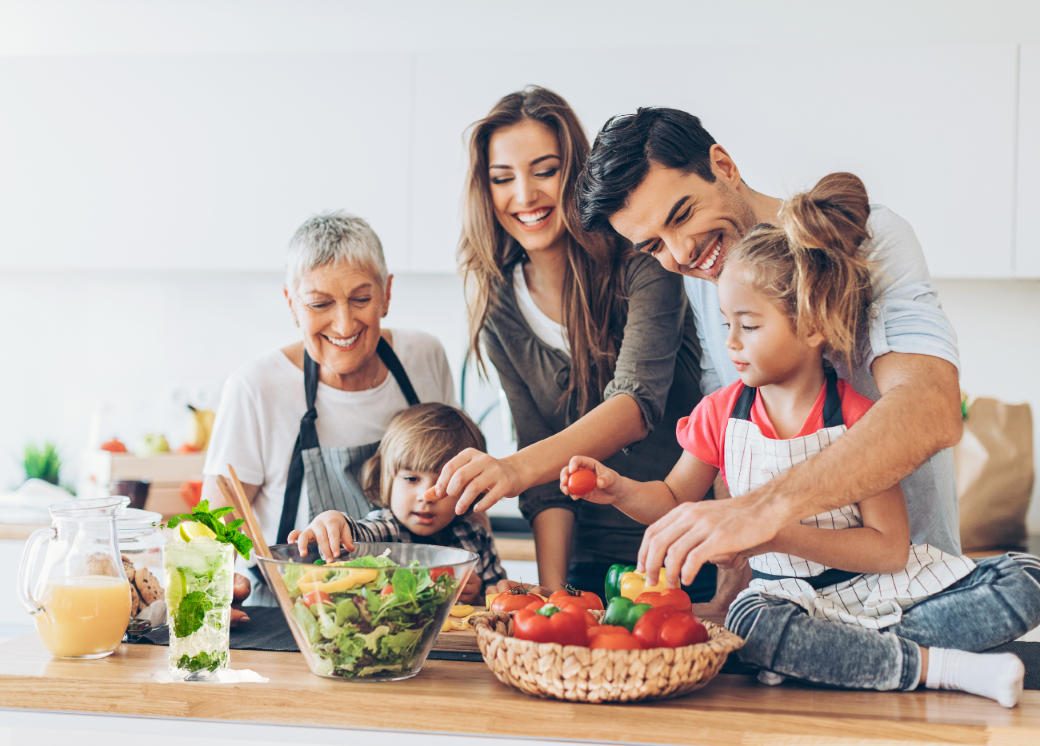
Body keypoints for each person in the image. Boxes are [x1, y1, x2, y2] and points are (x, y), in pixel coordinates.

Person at [561, 178, 1040, 706]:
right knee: (753, 622)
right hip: (788, 602)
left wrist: (773, 532)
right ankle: (935, 667)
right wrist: (618, 490)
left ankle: (833, 658)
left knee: (1031, 578)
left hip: (881, 592)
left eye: (748, 325)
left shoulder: (862, 422)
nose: (729, 342)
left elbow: (889, 550)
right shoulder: (719, 414)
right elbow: (671, 499)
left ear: (813, 325)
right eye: (726, 323)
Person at [577, 108, 967, 594]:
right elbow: (730, 445)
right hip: (788, 595)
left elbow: (931, 409)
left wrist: (763, 512)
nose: (681, 255)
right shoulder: (708, 276)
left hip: (913, 585)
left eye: (682, 215)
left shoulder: (871, 237)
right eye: (653, 245)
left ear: (723, 165)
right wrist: (732, 583)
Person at [433, 86, 720, 601]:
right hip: (588, 565)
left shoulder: (645, 262)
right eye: (503, 178)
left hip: (686, 552)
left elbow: (635, 404)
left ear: (577, 173)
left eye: (544, 170)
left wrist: (511, 470)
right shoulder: (499, 304)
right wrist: (552, 595)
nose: (524, 196)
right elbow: (541, 466)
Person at [201, 211, 458, 608]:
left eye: (361, 299)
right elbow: (217, 523)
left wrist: (478, 571)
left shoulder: (424, 358)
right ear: (291, 304)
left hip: (408, 611)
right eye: (320, 303)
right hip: (290, 620)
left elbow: (460, 485)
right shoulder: (255, 388)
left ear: (387, 294)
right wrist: (209, 597)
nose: (343, 324)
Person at [287, 403, 507, 604]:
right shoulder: (385, 528)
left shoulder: (476, 537)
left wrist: (479, 597)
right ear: (386, 480)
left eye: (445, 484)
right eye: (411, 479)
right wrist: (333, 520)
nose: (427, 496)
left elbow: (500, 601)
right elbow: (357, 534)